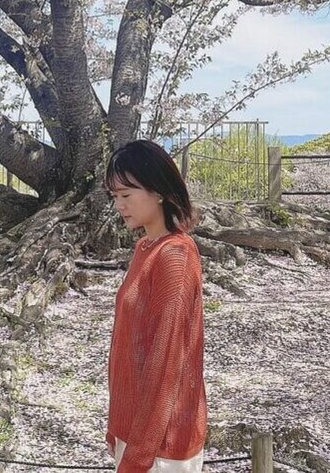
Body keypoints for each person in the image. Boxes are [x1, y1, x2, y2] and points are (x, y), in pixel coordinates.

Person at [104, 139, 207, 473]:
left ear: (158, 191)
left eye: (126, 194)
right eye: (115, 196)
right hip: (135, 429)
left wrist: (138, 455)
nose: (119, 205)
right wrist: (117, 425)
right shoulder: (145, 248)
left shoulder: (174, 256)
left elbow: (167, 359)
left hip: (162, 445)